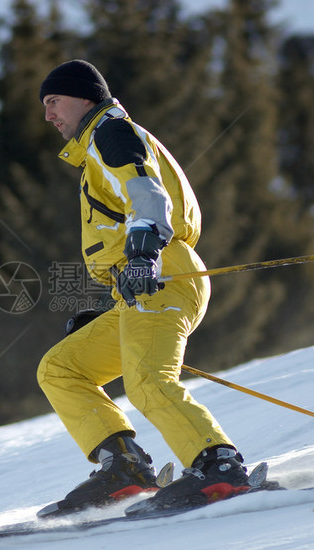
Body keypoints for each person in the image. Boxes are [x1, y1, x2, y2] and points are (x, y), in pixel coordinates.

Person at [36, 60, 250, 515]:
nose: (49, 116)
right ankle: (124, 467)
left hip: (162, 273)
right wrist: (113, 303)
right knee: (61, 368)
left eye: (54, 102)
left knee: (149, 382)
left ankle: (218, 465)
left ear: (85, 96)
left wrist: (143, 253)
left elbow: (147, 192)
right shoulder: (99, 142)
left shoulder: (111, 133)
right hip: (140, 285)